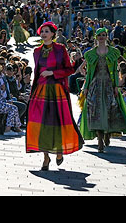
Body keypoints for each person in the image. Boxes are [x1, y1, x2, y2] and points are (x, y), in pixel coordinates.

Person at [26, 21, 83, 170]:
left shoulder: (60, 49)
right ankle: (45, 158)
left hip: (57, 90)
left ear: (53, 34)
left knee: (57, 123)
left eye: (46, 31)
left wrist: (52, 73)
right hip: (41, 90)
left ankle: (59, 151)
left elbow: (69, 70)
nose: (44, 34)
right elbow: (37, 71)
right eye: (42, 31)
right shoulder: (36, 51)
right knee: (40, 123)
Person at [79, 28, 126, 152]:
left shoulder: (113, 52)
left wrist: (116, 86)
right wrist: (86, 87)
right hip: (95, 85)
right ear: (96, 37)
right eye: (99, 35)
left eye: (104, 35)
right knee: (95, 110)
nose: (102, 37)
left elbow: (116, 72)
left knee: (110, 109)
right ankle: (100, 139)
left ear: (107, 37)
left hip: (108, 85)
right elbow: (89, 72)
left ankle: (107, 134)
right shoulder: (91, 53)